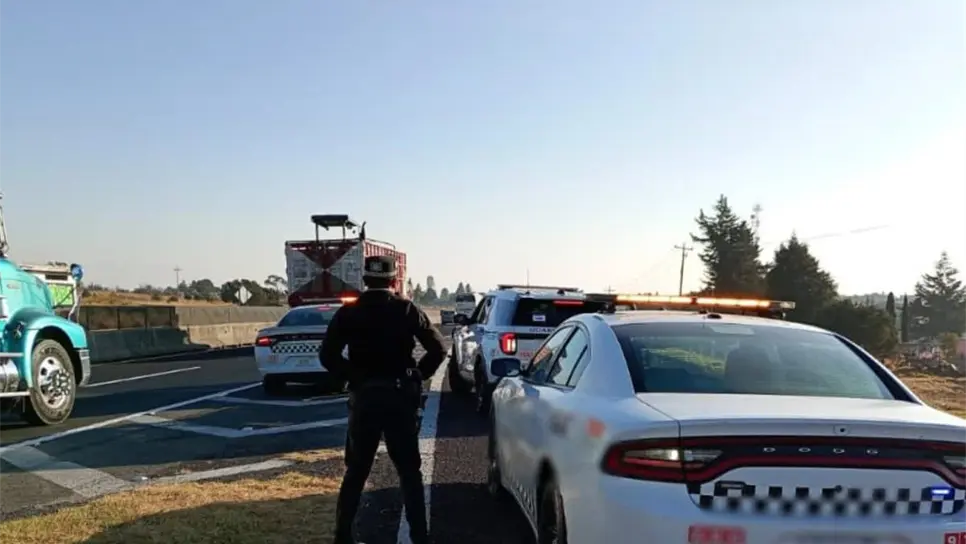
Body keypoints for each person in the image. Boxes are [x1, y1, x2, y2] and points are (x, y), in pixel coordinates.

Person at [320, 255, 446, 544]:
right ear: (393, 281)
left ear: (365, 280)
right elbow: (437, 348)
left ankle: (343, 536)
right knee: (409, 472)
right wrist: (417, 374)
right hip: (399, 397)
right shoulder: (406, 309)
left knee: (356, 471)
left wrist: (354, 376)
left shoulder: (349, 312)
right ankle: (420, 536)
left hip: (364, 398)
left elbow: (327, 355)